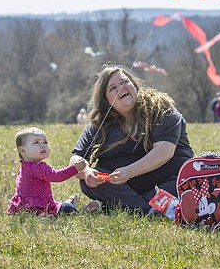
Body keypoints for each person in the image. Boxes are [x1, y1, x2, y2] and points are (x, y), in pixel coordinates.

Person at [70, 65, 194, 215]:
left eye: (124, 82)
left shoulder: (161, 107)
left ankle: (117, 207)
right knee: (88, 183)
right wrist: (87, 172)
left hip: (170, 178)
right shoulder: (100, 123)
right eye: (112, 88)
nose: (121, 88)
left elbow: (165, 151)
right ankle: (150, 209)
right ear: (107, 100)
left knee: (188, 182)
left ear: (134, 85)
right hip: (125, 187)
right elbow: (76, 159)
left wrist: (129, 172)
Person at [7, 127, 99, 215]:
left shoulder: (25, 166)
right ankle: (84, 210)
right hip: (39, 208)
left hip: (25, 207)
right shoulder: (39, 167)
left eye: (45, 142)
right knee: (67, 208)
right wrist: (74, 168)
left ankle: (67, 203)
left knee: (60, 205)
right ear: (23, 151)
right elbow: (56, 176)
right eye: (36, 142)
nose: (42, 145)